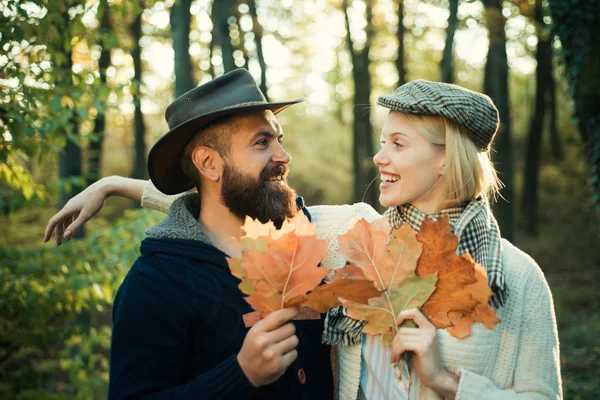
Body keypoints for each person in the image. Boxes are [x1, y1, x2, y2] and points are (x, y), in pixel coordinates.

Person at [46, 79, 562, 400]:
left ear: (447, 157)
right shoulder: (356, 237)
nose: (379, 157)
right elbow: (223, 208)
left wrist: (448, 383)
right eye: (382, 143)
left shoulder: (513, 277)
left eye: (398, 144)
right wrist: (115, 186)